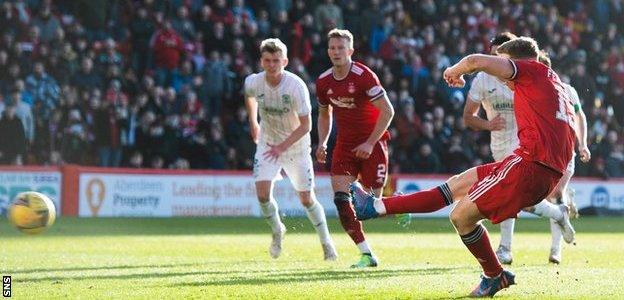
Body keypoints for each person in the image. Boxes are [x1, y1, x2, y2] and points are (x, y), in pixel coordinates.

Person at [352, 37, 576, 296]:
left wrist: (452, 71)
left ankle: (494, 275)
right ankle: (375, 207)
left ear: (516, 61)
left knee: (460, 216)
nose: (500, 75)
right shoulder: (553, 82)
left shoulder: (530, 70)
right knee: (457, 184)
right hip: (537, 165)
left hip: (530, 165)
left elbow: (474, 61)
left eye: (502, 64)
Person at [463, 32, 584, 264]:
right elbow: (468, 117)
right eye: (492, 56)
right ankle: (557, 213)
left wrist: (581, 143)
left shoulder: (525, 75)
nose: (495, 62)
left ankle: (506, 248)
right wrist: (488, 124)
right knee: (521, 200)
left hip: (526, 144)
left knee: (509, 195)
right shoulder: (482, 80)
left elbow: (571, 114)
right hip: (499, 144)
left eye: (501, 57)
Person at [244, 38, 337, 260]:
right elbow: (249, 97)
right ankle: (277, 230)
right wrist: (253, 122)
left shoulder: (296, 87)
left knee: (306, 199)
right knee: (262, 194)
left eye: (276, 60)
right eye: (267, 60)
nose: (271, 65)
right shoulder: (254, 82)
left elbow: (306, 126)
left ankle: (327, 243)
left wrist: (282, 147)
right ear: (261, 61)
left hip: (295, 147)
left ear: (284, 61)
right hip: (268, 143)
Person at [315, 29, 394, 268]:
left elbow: (388, 111)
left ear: (350, 51)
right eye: (332, 48)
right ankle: (366, 253)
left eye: (341, 48)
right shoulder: (323, 82)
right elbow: (323, 114)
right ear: (328, 51)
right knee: (341, 200)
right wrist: (322, 142)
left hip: (373, 142)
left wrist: (370, 142)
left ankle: (399, 205)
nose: (336, 52)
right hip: (345, 146)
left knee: (370, 208)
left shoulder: (364, 76)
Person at [533, 52, 591, 263]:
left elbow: (579, 115)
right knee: (542, 197)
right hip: (540, 150)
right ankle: (564, 207)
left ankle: (556, 250)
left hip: (565, 150)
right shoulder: (528, 91)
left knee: (556, 192)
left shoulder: (567, 90)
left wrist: (582, 143)